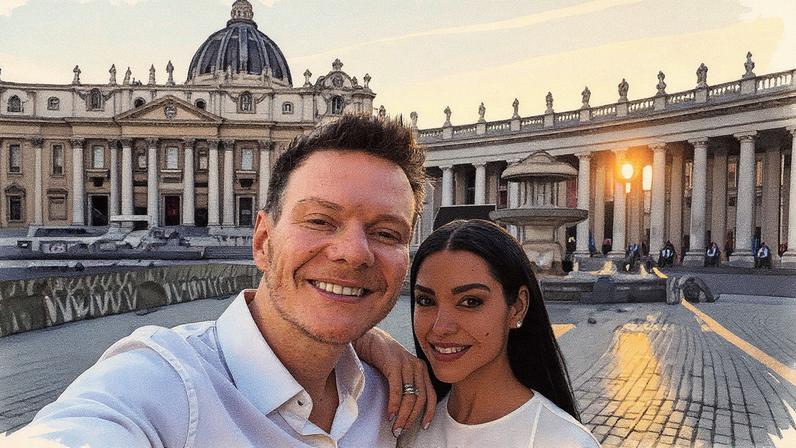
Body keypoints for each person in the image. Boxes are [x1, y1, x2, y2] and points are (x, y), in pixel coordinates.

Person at [4, 115, 435, 447]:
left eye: (386, 233)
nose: (354, 253)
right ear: (263, 241)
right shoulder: (157, 381)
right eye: (321, 220)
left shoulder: (393, 397)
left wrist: (361, 336)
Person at [399, 220, 599, 447]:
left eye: (470, 301)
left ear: (516, 308)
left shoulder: (564, 442)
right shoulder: (408, 427)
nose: (440, 327)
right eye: (426, 301)